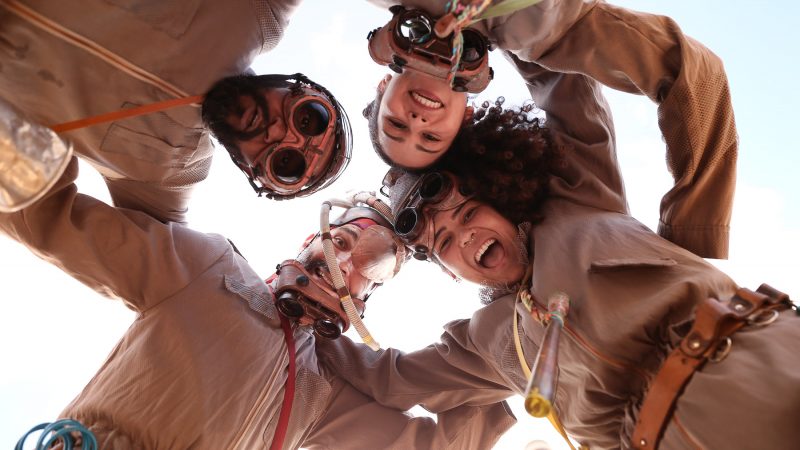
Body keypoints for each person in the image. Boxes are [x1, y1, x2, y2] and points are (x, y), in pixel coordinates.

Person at [317, 67, 800, 449]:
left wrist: (475, 33)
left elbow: (561, 77)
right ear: (447, 270)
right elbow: (392, 380)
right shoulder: (483, 342)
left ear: (503, 198)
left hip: (764, 376)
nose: (464, 237)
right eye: (444, 243)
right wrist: (309, 315)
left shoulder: (580, 197)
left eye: (470, 212)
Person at [0, 144, 515, 448]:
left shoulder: (326, 390)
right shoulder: (207, 267)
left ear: (367, 295)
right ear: (308, 239)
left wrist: (518, 345)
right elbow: (52, 220)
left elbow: (437, 443)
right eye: (339, 236)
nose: (344, 255)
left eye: (371, 261)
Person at [364, 0, 736, 262]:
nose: (416, 123)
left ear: (383, 85)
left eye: (395, 124)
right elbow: (690, 72)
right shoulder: (549, 35)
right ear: (465, 117)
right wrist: (687, 246)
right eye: (431, 138)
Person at [0, 0, 352, 222]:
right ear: (301, 88)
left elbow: (165, 257)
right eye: (308, 119)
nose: (278, 132)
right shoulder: (255, 12)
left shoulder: (170, 172)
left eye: (285, 164)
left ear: (253, 171)